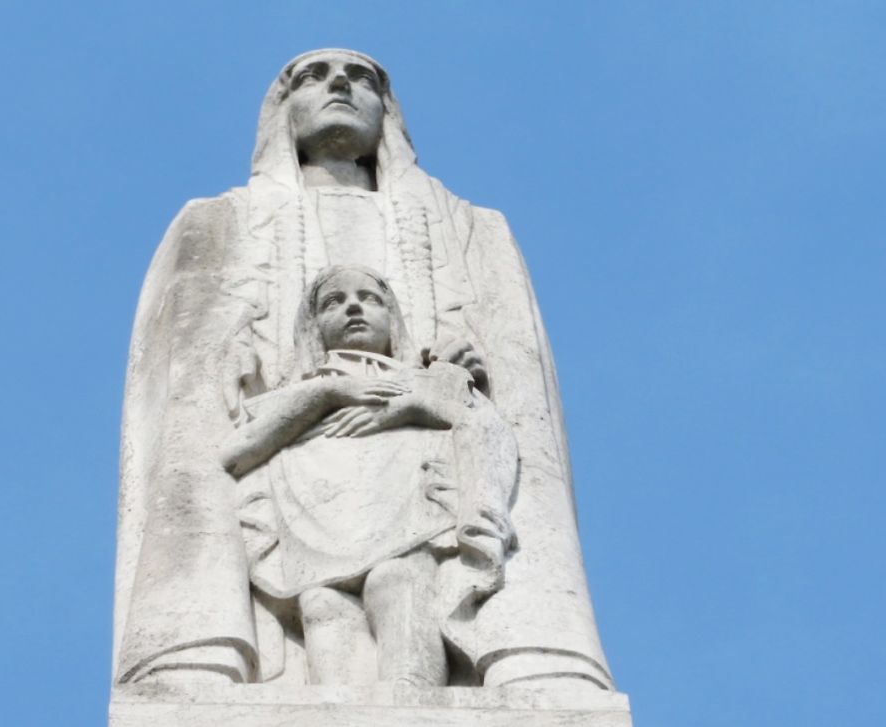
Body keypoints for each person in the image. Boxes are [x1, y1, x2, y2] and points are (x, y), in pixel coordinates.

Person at [115, 49, 614, 691]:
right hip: (294, 472)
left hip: (420, 468)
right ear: (282, 110)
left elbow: (508, 364)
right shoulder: (219, 221)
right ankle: (212, 652)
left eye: (363, 79)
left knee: (401, 584)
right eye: (313, 77)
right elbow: (194, 385)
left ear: (389, 113)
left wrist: (459, 365)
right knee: (323, 603)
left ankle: (513, 654)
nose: (341, 85)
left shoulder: (469, 227)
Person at [219, 265, 515, 686]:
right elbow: (237, 453)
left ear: (392, 317)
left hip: (404, 513)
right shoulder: (301, 393)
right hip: (316, 522)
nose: (353, 307)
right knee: (322, 605)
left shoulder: (424, 379)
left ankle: (413, 703)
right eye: (333, 302)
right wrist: (330, 393)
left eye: (369, 298)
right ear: (313, 327)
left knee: (397, 582)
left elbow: (481, 426)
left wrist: (413, 405)